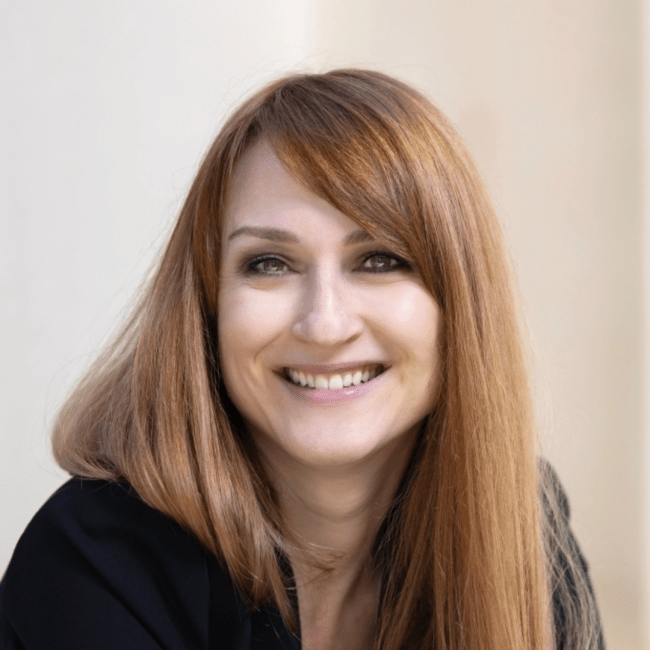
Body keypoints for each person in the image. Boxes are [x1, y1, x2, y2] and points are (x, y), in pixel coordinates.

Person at [0, 69, 605, 650]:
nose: (325, 324)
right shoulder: (99, 561)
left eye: (380, 259)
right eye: (269, 263)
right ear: (208, 309)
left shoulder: (518, 526)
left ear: (459, 307)